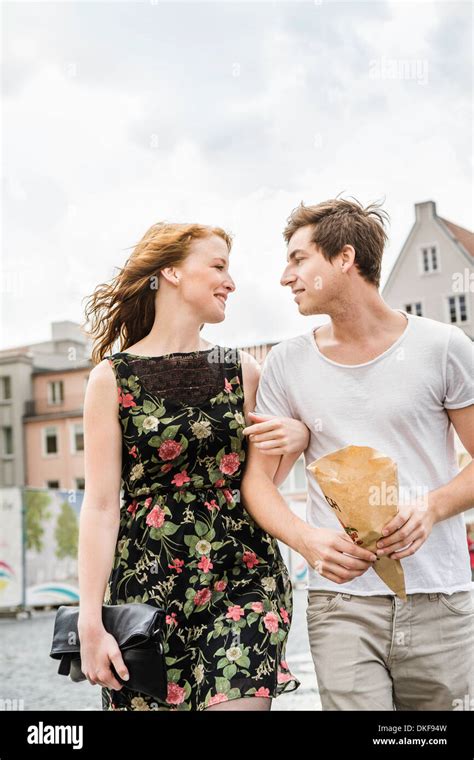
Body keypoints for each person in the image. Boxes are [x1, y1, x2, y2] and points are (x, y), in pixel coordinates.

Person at [240, 198, 474, 711]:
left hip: (440, 594)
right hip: (340, 602)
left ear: (345, 258)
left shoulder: (445, 347)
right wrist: (307, 541)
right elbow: (257, 483)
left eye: (299, 259)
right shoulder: (286, 363)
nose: (286, 276)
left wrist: (432, 507)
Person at [78, 221, 308, 711]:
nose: (231, 282)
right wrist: (89, 620)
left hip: (244, 579)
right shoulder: (109, 380)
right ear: (173, 272)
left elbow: (261, 482)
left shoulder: (243, 371)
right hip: (147, 588)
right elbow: (99, 506)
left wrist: (297, 438)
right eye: (218, 266)